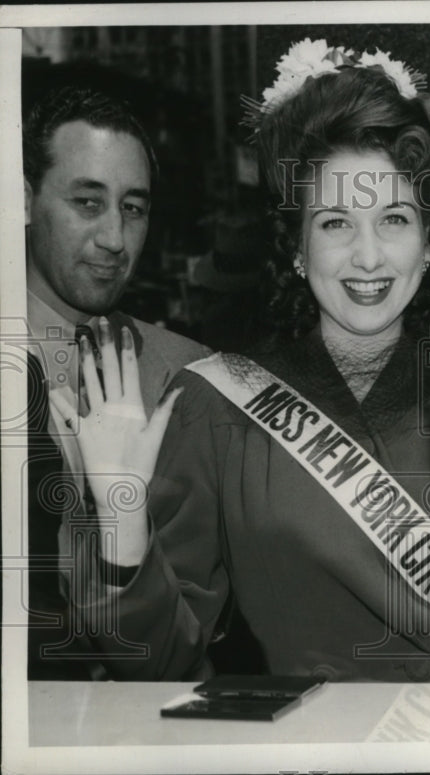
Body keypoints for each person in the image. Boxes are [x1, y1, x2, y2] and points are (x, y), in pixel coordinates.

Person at [54, 40, 430, 682]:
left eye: (394, 218)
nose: (368, 257)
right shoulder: (218, 401)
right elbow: (165, 664)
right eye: (334, 223)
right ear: (296, 246)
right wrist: (121, 526)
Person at [22, 86, 209, 679]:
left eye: (133, 208)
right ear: (23, 199)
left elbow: (184, 649)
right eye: (86, 202)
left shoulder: (185, 376)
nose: (113, 239)